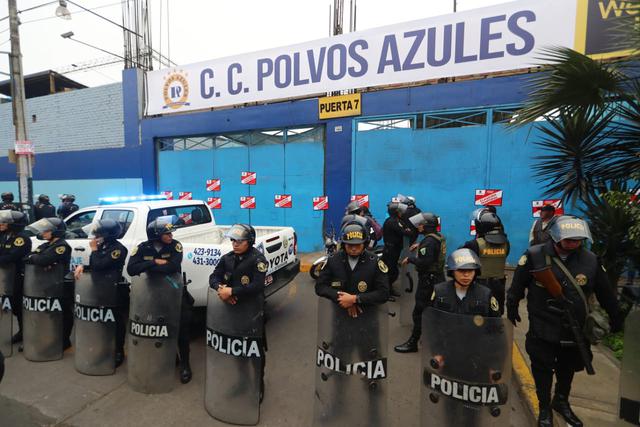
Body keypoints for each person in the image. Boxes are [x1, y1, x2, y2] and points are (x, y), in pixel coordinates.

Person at [507, 215, 622, 427]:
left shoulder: (590, 260)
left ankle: (561, 401)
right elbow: (517, 285)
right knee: (542, 367)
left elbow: (605, 293)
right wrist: (512, 306)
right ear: (556, 237)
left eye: (577, 240)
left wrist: (616, 318)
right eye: (569, 240)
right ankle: (544, 407)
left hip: (574, 327)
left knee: (567, 368)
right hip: (543, 324)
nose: (573, 244)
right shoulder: (535, 255)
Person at [126, 217, 193, 383]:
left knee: (182, 330)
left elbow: (173, 266)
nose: (170, 235)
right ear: (156, 235)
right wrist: (155, 261)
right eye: (166, 233)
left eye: (170, 232)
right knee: (160, 327)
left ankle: (185, 364)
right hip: (153, 295)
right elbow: (131, 269)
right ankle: (171, 358)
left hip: (175, 293)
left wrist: (147, 265)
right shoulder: (143, 247)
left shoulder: (175, 246)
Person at [208, 223, 269, 402]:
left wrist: (232, 292)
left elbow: (257, 285)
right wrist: (220, 289)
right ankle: (242, 381)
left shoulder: (258, 260)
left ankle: (258, 384)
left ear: (249, 242)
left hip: (252, 313)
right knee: (237, 348)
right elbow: (214, 276)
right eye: (233, 240)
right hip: (232, 312)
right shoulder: (227, 258)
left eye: (239, 241)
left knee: (254, 350)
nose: (235, 244)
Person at [74, 219, 128, 367]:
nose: (96, 236)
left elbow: (101, 264)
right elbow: (94, 265)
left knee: (116, 322)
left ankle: (118, 351)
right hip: (101, 288)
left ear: (108, 234)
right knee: (103, 322)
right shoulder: (103, 245)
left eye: (99, 233)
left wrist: (94, 250)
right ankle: (105, 348)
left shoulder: (118, 249)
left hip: (114, 289)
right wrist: (83, 267)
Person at [394, 212, 447, 352]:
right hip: (438, 278)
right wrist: (420, 244)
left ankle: (413, 343)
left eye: (421, 224)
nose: (418, 226)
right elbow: (433, 249)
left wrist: (410, 259)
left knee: (419, 312)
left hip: (428, 281)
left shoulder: (429, 242)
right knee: (433, 310)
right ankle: (431, 339)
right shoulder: (438, 237)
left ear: (427, 226)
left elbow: (424, 263)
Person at [315, 220, 390, 314]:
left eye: (358, 245)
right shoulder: (333, 260)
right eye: (350, 245)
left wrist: (355, 299)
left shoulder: (374, 262)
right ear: (343, 244)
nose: (354, 248)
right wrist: (342, 298)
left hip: (368, 315)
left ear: (364, 244)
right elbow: (320, 287)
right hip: (339, 315)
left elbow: (384, 292)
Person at [24, 217, 73, 349]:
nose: (43, 233)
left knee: (62, 314)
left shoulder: (61, 246)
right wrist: (37, 258)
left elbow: (43, 260)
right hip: (48, 283)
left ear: (56, 232)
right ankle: (52, 338)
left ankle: (64, 341)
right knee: (50, 314)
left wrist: (38, 258)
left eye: (47, 231)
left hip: (60, 284)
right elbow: (28, 257)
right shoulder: (47, 245)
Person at [463, 209, 510, 315]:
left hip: (478, 286)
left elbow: (462, 261)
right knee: (496, 313)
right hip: (499, 286)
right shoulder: (506, 243)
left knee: (476, 315)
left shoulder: (474, 244)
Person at [430, 248, 500, 317]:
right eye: (461, 270)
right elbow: (429, 318)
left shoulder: (485, 294)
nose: (466, 275)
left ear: (476, 272)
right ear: (452, 272)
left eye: (470, 270)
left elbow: (496, 323)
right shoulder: (439, 291)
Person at [0, 211, 32, 344]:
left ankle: (25, 333)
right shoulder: (4, 236)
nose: (1, 224)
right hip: (4, 276)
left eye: (4, 222)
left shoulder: (21, 238)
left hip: (17, 275)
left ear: (14, 225)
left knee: (17, 305)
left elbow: (12, 257)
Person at [381, 202, 412, 296]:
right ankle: (387, 291)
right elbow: (405, 232)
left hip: (395, 249)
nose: (402, 212)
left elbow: (406, 228)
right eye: (399, 211)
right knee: (391, 271)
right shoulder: (392, 221)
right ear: (395, 212)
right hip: (390, 250)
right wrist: (406, 231)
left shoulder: (397, 220)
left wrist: (406, 230)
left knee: (392, 270)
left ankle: (388, 289)